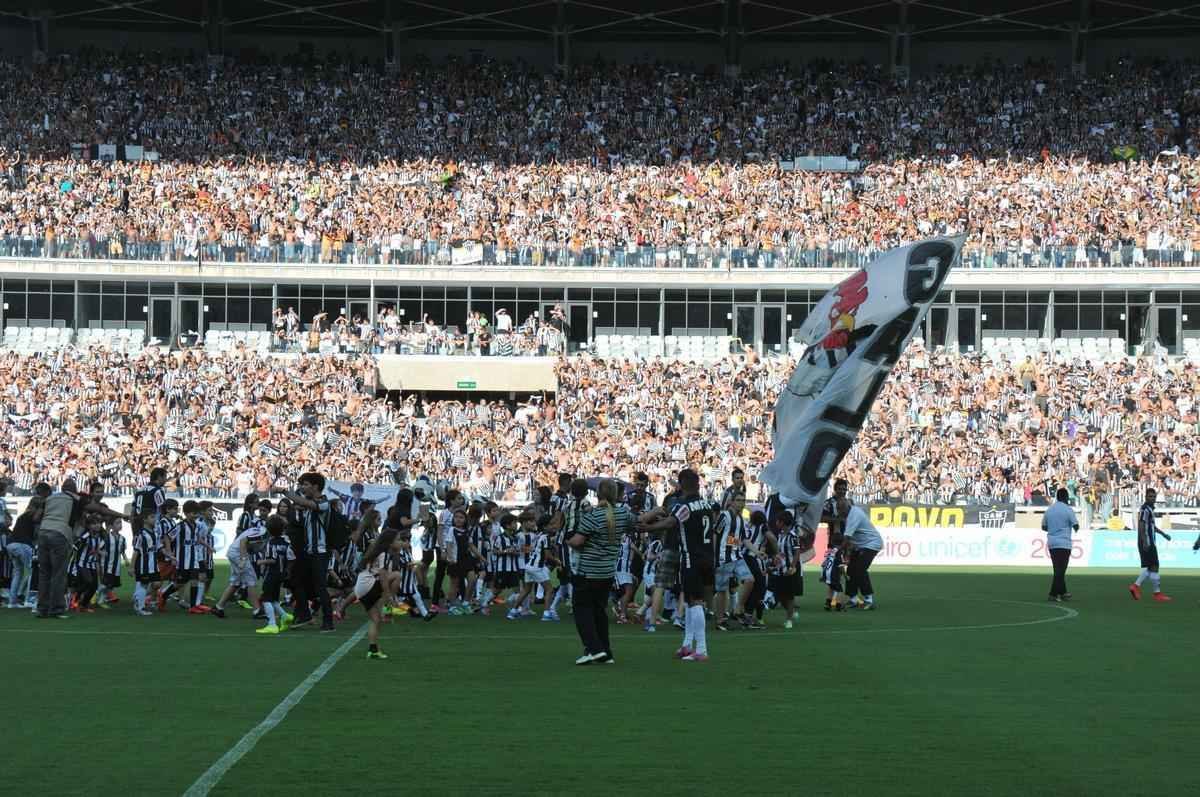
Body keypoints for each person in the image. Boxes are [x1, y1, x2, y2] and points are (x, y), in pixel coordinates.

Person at [643, 468, 718, 662]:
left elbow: (670, 523)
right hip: (707, 557)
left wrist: (647, 527)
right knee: (690, 601)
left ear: (682, 484)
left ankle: (701, 649)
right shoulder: (707, 504)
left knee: (694, 602)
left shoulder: (684, 505)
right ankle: (687, 645)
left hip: (690, 558)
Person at [567, 479, 628, 666]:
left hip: (587, 571)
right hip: (607, 572)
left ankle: (595, 649)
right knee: (598, 611)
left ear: (598, 494)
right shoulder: (622, 514)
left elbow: (577, 541)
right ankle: (605, 651)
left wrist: (565, 539)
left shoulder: (593, 516)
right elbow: (639, 522)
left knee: (582, 610)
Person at [286, 471, 337, 631]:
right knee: (295, 581)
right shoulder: (308, 503)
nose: (302, 487)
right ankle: (305, 615)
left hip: (320, 552)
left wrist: (285, 492)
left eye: (305, 484)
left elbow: (306, 503)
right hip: (309, 552)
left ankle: (328, 622)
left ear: (316, 487)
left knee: (320, 586)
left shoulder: (323, 503)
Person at [838, 492, 884, 610]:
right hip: (859, 545)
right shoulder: (850, 513)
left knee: (859, 569)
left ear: (847, 507)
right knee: (851, 570)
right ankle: (853, 599)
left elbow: (847, 538)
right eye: (838, 508)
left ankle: (868, 600)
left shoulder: (854, 515)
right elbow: (850, 539)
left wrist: (838, 551)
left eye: (840, 509)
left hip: (871, 544)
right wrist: (847, 553)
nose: (839, 511)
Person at [1130, 488, 1172, 602]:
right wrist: (1145, 541)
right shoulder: (1145, 509)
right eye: (1150, 496)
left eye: (1154, 497)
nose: (1152, 499)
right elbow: (1142, 526)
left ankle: (1136, 586)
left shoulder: (1149, 509)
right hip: (1147, 542)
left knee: (1151, 567)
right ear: (1145, 497)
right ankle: (1156, 593)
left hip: (1150, 541)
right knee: (1155, 566)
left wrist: (1163, 534)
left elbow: (1152, 526)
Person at [1042, 487, 1079, 602]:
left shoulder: (1050, 510)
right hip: (1064, 543)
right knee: (1061, 570)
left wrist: (1053, 528)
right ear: (1066, 497)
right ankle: (1053, 594)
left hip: (1052, 543)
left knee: (1058, 569)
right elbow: (1076, 526)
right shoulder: (1068, 510)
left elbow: (1044, 527)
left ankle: (1063, 592)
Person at [6, 497, 41, 609]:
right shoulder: (33, 516)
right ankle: (29, 599)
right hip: (23, 544)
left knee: (18, 573)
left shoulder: (23, 516)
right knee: (32, 571)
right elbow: (35, 533)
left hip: (11, 544)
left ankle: (12, 602)